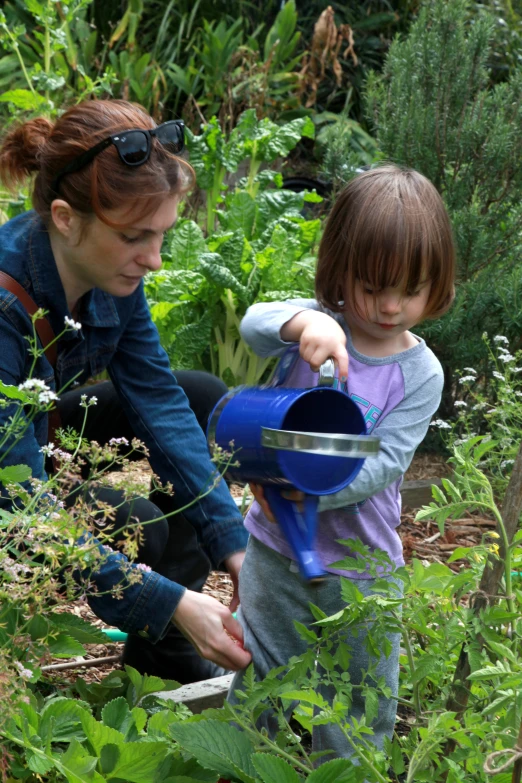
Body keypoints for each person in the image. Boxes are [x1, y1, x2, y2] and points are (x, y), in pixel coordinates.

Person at [0, 99, 251, 683]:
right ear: (65, 218)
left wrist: (235, 547)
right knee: (131, 521)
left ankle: (162, 659)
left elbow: (159, 401)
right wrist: (170, 601)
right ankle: (165, 617)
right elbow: (15, 503)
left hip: (36, 428)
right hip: (9, 471)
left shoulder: (109, 270)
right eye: (137, 236)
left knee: (199, 395)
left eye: (162, 234)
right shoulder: (6, 304)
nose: (156, 260)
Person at [231, 165, 455, 760]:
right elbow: (252, 323)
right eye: (371, 286)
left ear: (438, 285)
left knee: (358, 701)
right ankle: (248, 766)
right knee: (262, 678)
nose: (388, 307)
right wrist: (308, 321)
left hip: (362, 572)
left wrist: (315, 490)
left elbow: (383, 461)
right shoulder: (313, 325)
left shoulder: (419, 374)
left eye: (409, 290)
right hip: (276, 548)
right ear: (339, 270)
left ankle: (346, 773)